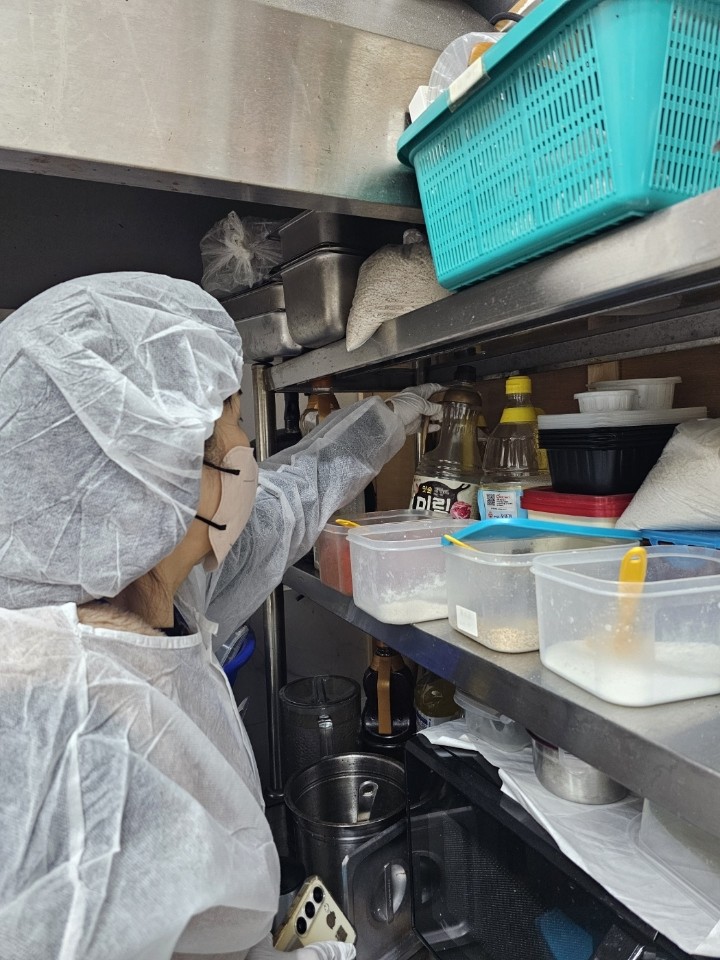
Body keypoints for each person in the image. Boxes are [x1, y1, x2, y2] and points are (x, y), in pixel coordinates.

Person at [0, 272, 441, 960]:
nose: (247, 448)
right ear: (162, 462)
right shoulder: (77, 735)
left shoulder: (151, 591)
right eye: (233, 420)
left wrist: (389, 419)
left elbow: (282, 508)